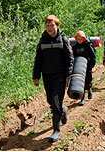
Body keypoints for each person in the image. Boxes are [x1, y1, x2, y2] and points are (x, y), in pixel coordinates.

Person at [33, 15, 74, 143]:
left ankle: (56, 130)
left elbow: (70, 59)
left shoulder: (63, 40)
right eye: (47, 25)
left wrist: (68, 75)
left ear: (57, 25)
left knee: (56, 101)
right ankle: (63, 110)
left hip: (60, 76)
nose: (50, 28)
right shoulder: (42, 41)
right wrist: (36, 76)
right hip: (46, 75)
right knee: (50, 100)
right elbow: (38, 59)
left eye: (52, 25)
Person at [72, 31, 96, 106]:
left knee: (88, 80)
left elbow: (93, 56)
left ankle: (89, 89)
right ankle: (82, 98)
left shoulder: (88, 46)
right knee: (80, 82)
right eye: (78, 39)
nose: (79, 40)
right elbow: (72, 57)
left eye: (80, 39)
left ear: (84, 38)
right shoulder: (75, 47)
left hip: (87, 66)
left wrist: (91, 66)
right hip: (78, 68)